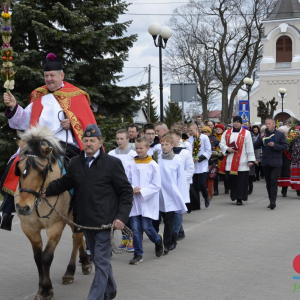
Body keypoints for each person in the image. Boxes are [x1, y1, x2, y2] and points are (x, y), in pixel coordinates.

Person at [0, 53, 96, 231]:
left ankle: (81, 213)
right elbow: (23, 122)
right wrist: (14, 106)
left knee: (79, 170)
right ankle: (7, 209)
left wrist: (73, 124)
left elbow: (87, 125)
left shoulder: (77, 96)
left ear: (62, 75)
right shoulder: (38, 96)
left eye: (52, 75)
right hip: (37, 144)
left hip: (64, 145)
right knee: (13, 163)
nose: (49, 79)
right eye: (46, 76)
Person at [43, 124, 133, 300]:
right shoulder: (76, 162)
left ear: (100, 142)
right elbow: (66, 182)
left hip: (105, 222)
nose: (89, 143)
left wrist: (121, 217)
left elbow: (126, 192)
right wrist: (48, 189)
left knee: (99, 261)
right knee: (102, 260)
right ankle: (110, 289)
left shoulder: (113, 163)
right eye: (86, 140)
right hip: (84, 221)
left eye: (93, 140)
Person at [126, 137, 164, 265]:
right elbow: (127, 180)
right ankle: (138, 254)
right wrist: (132, 188)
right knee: (136, 229)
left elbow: (156, 184)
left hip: (147, 200)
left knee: (147, 227)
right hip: (135, 201)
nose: (138, 150)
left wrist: (142, 191)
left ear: (148, 148)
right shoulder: (131, 164)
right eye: (136, 148)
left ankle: (158, 240)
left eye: (141, 148)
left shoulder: (153, 165)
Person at [154, 135, 188, 254]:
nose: (164, 147)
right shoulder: (157, 158)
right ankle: (159, 241)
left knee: (169, 221)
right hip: (158, 195)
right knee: (156, 221)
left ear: (172, 145)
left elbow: (181, 179)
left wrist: (180, 196)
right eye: (162, 144)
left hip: (171, 196)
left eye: (167, 144)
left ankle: (167, 244)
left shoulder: (177, 160)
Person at [108, 129, 137, 252]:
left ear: (127, 139)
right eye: (118, 138)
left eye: (122, 139)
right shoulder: (111, 153)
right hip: (114, 188)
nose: (119, 141)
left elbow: (135, 172)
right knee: (115, 213)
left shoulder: (133, 154)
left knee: (128, 214)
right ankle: (117, 240)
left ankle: (129, 239)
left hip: (127, 187)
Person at [219, 116, 255, 206]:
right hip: (230, 161)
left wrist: (251, 160)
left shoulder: (246, 133)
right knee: (231, 181)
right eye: (234, 122)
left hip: (242, 161)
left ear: (241, 123)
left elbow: (249, 146)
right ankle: (234, 195)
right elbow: (221, 143)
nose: (236, 123)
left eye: (238, 122)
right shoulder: (227, 133)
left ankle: (240, 198)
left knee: (241, 181)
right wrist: (227, 149)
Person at [254, 118, 288, 209]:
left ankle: (273, 201)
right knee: (268, 182)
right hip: (265, 162)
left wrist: (274, 145)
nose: (267, 125)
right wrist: (261, 138)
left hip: (276, 162)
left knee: (273, 181)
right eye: (266, 124)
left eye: (269, 124)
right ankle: (270, 200)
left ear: (274, 125)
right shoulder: (263, 134)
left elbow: (285, 147)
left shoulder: (280, 134)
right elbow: (255, 146)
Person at [170, 128, 194, 240]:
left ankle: (174, 232)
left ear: (179, 139)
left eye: (173, 138)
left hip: (181, 185)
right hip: (169, 184)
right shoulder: (166, 152)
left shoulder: (185, 153)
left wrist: (180, 180)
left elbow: (190, 169)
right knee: (172, 208)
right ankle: (180, 230)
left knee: (178, 208)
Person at [188, 123, 212, 208]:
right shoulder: (189, 139)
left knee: (202, 183)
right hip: (193, 165)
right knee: (194, 186)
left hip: (202, 164)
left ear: (196, 129)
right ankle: (197, 204)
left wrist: (199, 158)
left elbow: (208, 151)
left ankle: (206, 197)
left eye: (191, 130)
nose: (190, 132)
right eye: (189, 131)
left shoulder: (204, 138)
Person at [201, 126, 220, 201]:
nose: (205, 134)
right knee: (204, 178)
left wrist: (219, 153)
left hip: (212, 161)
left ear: (210, 132)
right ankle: (206, 193)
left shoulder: (214, 139)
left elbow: (221, 145)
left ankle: (209, 193)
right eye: (203, 132)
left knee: (210, 177)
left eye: (207, 132)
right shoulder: (200, 139)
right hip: (203, 161)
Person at [277, 126, 291, 197]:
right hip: (278, 156)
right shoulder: (276, 138)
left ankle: (284, 189)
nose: (281, 133)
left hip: (286, 157)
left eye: (282, 131)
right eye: (280, 131)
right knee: (278, 173)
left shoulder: (289, 138)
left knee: (285, 173)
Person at [213, 124, 227, 195]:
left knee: (224, 175)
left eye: (220, 129)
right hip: (215, 157)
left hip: (223, 157)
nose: (218, 130)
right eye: (217, 129)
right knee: (215, 176)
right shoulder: (213, 137)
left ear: (222, 130)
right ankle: (216, 190)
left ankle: (226, 188)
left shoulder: (224, 136)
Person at [288, 131, 300, 196]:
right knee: (297, 178)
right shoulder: (295, 139)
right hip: (295, 161)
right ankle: (298, 190)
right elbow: (289, 149)